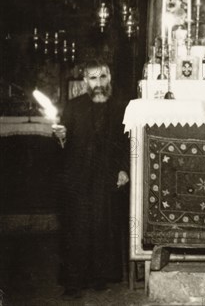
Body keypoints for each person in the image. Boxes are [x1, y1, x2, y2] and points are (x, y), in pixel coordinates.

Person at [53, 60, 129, 299]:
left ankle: (99, 278)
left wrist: (124, 170)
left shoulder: (122, 106)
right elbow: (63, 145)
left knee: (103, 226)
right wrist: (61, 137)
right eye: (93, 79)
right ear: (85, 81)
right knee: (76, 228)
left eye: (102, 78)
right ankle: (74, 282)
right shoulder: (74, 107)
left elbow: (129, 142)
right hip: (78, 177)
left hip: (107, 175)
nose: (98, 84)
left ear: (110, 79)